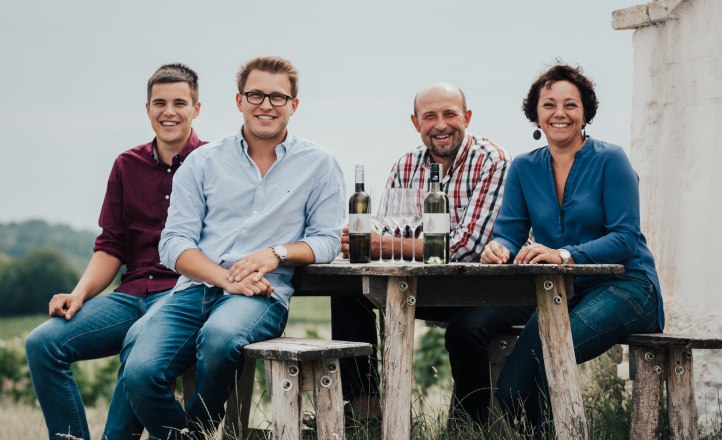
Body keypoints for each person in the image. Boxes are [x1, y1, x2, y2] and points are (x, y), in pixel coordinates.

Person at [113, 56, 345, 439]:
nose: (265, 105)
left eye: (277, 97)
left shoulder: (319, 164)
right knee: (139, 372)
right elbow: (173, 243)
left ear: (294, 105)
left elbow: (327, 239)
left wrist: (277, 254)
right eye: (255, 95)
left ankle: (200, 426)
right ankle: (190, 435)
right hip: (193, 292)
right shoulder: (203, 161)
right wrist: (225, 278)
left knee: (221, 339)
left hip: (260, 295)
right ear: (239, 100)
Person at [481, 64, 664, 437]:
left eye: (570, 105)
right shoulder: (523, 167)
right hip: (562, 294)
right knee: (512, 388)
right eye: (549, 105)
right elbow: (509, 231)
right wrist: (497, 248)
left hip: (627, 287)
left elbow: (626, 238)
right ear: (536, 113)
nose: (559, 113)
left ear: (585, 113)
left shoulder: (611, 160)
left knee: (553, 360)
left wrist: (564, 255)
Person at [24, 63, 205, 440]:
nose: (168, 111)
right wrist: (78, 294)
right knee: (41, 344)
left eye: (179, 103)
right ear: (147, 109)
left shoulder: (213, 163)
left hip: (181, 297)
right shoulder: (127, 164)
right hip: (130, 296)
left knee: (140, 341)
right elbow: (111, 246)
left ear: (196, 109)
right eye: (159, 102)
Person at [333, 83, 523, 426]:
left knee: (466, 331)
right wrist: (367, 242)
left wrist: (383, 244)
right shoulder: (406, 165)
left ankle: (468, 427)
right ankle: (366, 412)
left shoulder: (493, 161)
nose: (440, 124)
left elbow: (468, 247)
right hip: (424, 284)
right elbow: (389, 230)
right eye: (429, 116)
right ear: (415, 122)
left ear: (466, 117)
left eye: (449, 114)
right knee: (349, 292)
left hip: (485, 287)